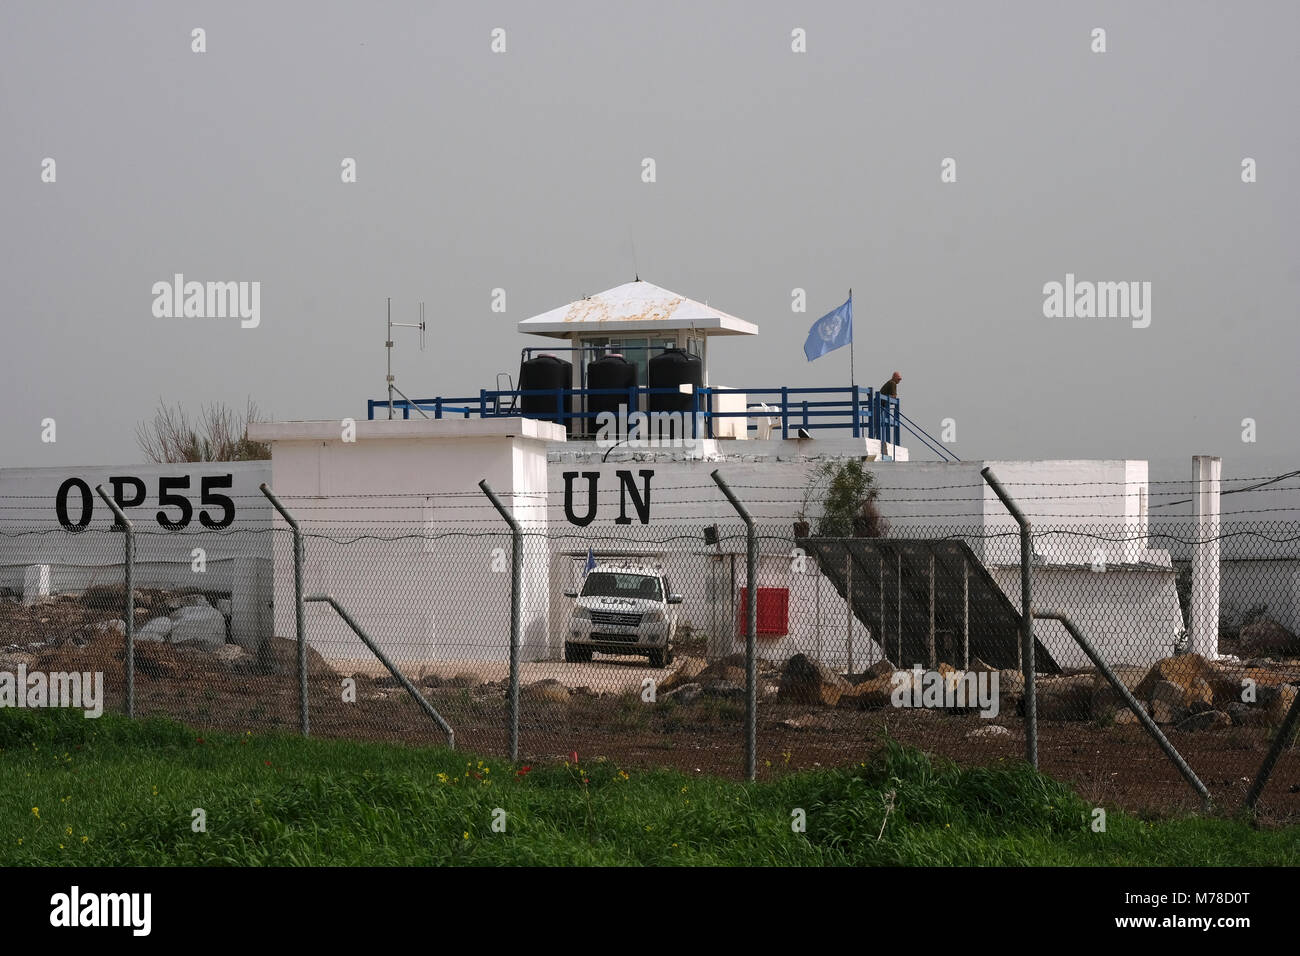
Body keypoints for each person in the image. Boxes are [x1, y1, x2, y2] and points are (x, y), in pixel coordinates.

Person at [877, 372, 901, 454]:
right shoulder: (892, 383)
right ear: (894, 378)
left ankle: (875, 440)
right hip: (881, 404)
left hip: (879, 404)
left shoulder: (890, 382)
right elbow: (894, 396)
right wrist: (892, 397)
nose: (899, 381)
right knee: (878, 424)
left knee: (876, 424)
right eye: (898, 379)